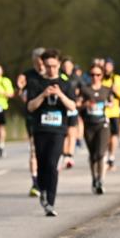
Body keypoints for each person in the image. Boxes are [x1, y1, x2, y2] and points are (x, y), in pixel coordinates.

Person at [26, 49, 75, 216]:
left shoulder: (66, 83)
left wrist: (60, 94)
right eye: (48, 66)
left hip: (58, 131)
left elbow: (72, 107)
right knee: (42, 164)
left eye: (54, 66)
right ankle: (43, 191)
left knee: (52, 165)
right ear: (43, 65)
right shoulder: (35, 82)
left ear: (59, 64)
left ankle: (51, 203)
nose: (51, 69)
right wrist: (43, 94)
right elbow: (30, 106)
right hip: (40, 130)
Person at [78, 64, 113, 194]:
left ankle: (101, 180)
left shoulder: (106, 89)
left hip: (102, 124)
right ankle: (94, 178)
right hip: (89, 124)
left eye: (98, 75)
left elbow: (112, 102)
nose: (95, 77)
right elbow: (78, 104)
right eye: (92, 75)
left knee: (101, 153)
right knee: (93, 155)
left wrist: (108, 104)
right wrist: (85, 104)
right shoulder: (85, 90)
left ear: (102, 76)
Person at [16, 48, 46, 195]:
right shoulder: (27, 75)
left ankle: (46, 178)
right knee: (34, 150)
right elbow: (19, 94)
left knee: (48, 151)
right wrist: (20, 89)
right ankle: (35, 183)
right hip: (33, 117)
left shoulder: (52, 73)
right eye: (38, 60)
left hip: (50, 118)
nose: (41, 63)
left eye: (43, 60)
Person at [101, 58, 120, 171]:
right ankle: (104, 157)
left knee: (113, 136)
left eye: (109, 66)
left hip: (114, 112)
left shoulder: (117, 79)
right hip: (102, 112)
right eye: (105, 66)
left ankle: (111, 157)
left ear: (112, 67)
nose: (107, 68)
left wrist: (116, 91)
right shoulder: (99, 78)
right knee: (105, 136)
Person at [61, 57, 81, 169]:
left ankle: (70, 155)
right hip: (63, 109)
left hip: (73, 108)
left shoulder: (76, 78)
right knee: (64, 133)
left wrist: (80, 98)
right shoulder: (60, 78)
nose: (67, 68)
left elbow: (85, 89)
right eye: (65, 66)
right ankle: (64, 155)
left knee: (72, 132)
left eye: (69, 66)